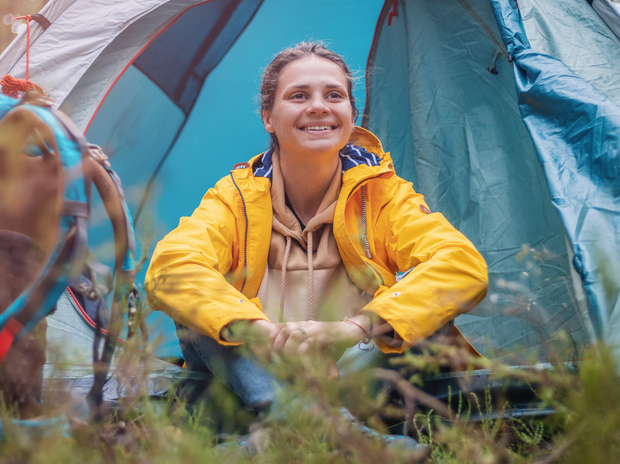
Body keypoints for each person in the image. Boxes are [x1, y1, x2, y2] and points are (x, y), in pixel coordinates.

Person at [144, 42, 488, 442]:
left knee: (424, 316)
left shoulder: (383, 195)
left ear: (351, 115)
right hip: (253, 380)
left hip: (350, 373)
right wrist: (263, 335)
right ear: (268, 117)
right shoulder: (233, 198)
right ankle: (330, 430)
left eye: (334, 95)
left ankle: (277, 436)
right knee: (198, 316)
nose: (320, 107)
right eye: (298, 96)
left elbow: (462, 264)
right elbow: (171, 268)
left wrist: (351, 329)